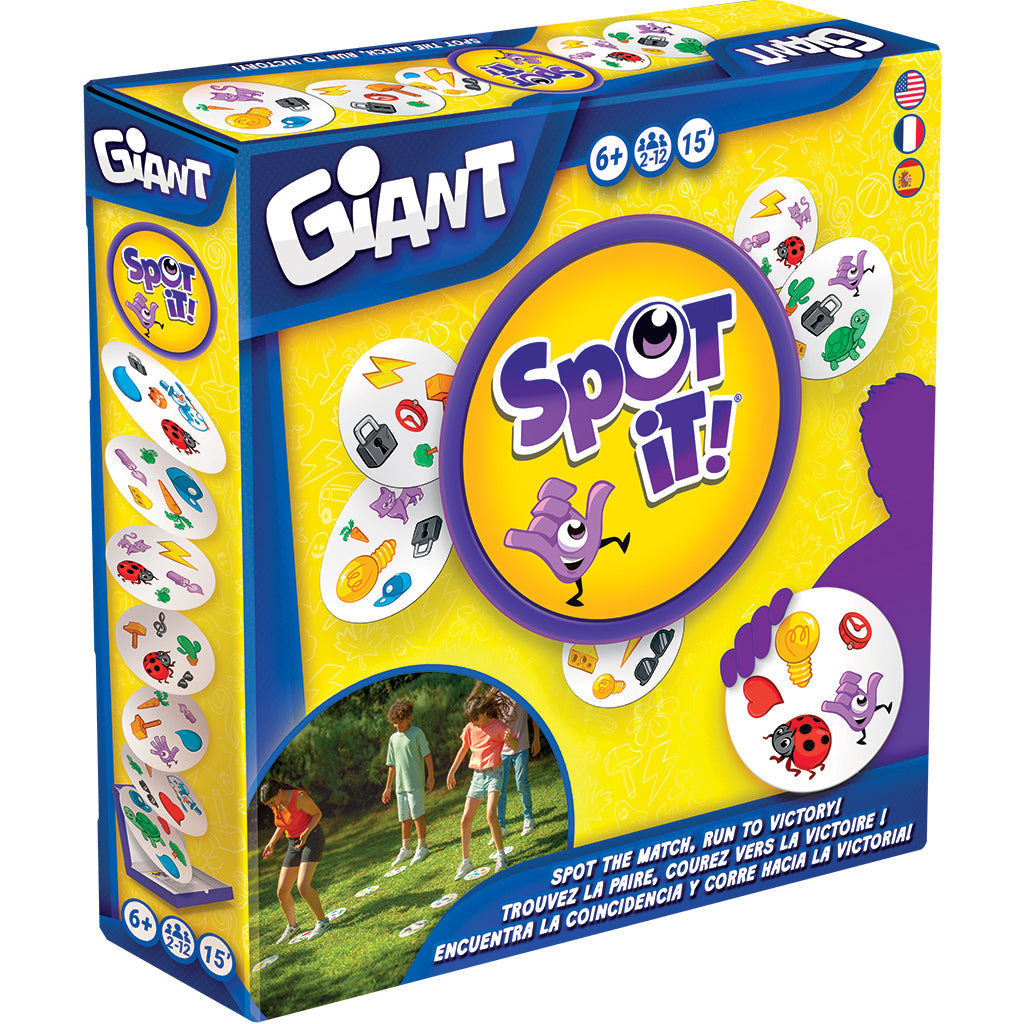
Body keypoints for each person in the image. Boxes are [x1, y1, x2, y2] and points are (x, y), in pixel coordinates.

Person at [447, 685, 517, 879]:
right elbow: (463, 749)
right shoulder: (470, 728)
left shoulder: (499, 727)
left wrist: (510, 740)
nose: (474, 723)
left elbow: (515, 744)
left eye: (476, 719)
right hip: (477, 776)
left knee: (490, 814)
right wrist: (452, 771)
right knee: (465, 819)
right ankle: (466, 862)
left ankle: (501, 856)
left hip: (495, 773)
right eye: (471, 720)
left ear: (485, 712)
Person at [260, 779, 331, 944]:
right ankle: (293, 926)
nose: (271, 806)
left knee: (303, 886)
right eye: (268, 805)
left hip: (311, 838)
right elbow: (283, 824)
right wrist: (271, 843)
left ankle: (323, 922)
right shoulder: (277, 804)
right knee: (282, 891)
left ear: (279, 792)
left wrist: (306, 832)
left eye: (271, 802)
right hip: (294, 843)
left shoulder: (299, 798)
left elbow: (317, 814)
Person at [381, 698, 435, 866]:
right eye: (395, 723)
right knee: (404, 818)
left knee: (417, 815)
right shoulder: (393, 739)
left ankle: (422, 846)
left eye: (401, 721)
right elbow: (392, 765)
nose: (398, 725)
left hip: (415, 783)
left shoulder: (417, 733)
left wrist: (430, 776)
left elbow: (427, 755)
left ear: (409, 718)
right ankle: (406, 849)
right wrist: (388, 787)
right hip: (400, 786)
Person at [493, 697, 541, 842]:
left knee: (521, 782)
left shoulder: (519, 694)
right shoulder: (495, 695)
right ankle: (501, 827)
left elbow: (534, 715)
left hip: (521, 747)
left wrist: (536, 739)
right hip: (502, 750)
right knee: (500, 788)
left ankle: (529, 818)